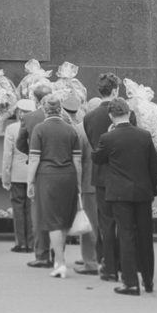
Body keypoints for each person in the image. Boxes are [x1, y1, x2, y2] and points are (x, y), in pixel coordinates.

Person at [92, 97, 157, 295]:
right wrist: (152, 190)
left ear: (111, 116)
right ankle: (148, 281)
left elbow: (97, 158)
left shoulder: (108, 138)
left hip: (119, 194)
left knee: (126, 235)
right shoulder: (145, 135)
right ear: (129, 113)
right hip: (143, 193)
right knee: (145, 237)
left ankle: (130, 282)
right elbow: (153, 166)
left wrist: (107, 134)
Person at [83, 73, 137, 282]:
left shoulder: (88, 117)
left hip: (101, 176)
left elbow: (94, 145)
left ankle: (109, 266)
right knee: (124, 222)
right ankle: (125, 264)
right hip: (123, 175)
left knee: (105, 223)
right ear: (115, 91)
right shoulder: (128, 114)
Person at [27, 93, 82, 278]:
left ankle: (60, 262)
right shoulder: (71, 129)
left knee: (52, 222)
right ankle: (60, 259)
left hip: (47, 177)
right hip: (68, 177)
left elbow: (34, 159)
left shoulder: (39, 129)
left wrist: (30, 182)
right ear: (60, 108)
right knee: (64, 220)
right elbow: (78, 161)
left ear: (44, 109)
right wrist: (79, 184)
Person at [15, 80, 53, 268]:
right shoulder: (63, 116)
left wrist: (33, 151)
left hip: (38, 171)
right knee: (56, 213)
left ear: (35, 99)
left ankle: (42, 255)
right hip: (62, 169)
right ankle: (57, 253)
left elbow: (20, 143)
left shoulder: (29, 118)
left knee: (38, 214)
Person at [63, 93, 99, 276]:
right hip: (108, 184)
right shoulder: (109, 127)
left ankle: (90, 262)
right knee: (104, 223)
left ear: (86, 111)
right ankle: (101, 257)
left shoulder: (80, 129)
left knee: (89, 223)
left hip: (87, 183)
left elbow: (76, 160)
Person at [2, 98, 34, 253]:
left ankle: (21, 243)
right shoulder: (38, 126)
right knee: (31, 209)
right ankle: (32, 243)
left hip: (17, 174)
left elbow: (7, 156)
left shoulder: (11, 129)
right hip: (33, 173)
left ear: (19, 112)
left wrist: (5, 178)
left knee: (18, 209)